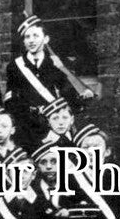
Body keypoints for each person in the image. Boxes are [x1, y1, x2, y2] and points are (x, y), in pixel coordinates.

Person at [5, 15, 90, 149]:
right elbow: (12, 103)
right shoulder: (15, 66)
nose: (31, 41)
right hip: (29, 130)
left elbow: (70, 96)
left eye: (36, 36)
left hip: (57, 128)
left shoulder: (58, 64)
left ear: (46, 39)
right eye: (27, 37)